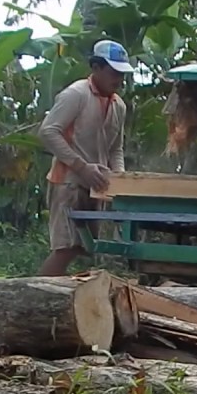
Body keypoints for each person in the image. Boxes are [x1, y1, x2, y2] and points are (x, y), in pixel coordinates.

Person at [37, 40, 132, 276]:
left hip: (96, 185)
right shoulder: (76, 94)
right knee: (66, 247)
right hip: (69, 180)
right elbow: (48, 131)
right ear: (96, 68)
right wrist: (81, 167)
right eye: (113, 72)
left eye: (122, 74)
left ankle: (51, 295)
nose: (118, 79)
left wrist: (119, 180)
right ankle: (30, 295)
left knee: (83, 247)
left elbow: (115, 149)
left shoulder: (118, 105)